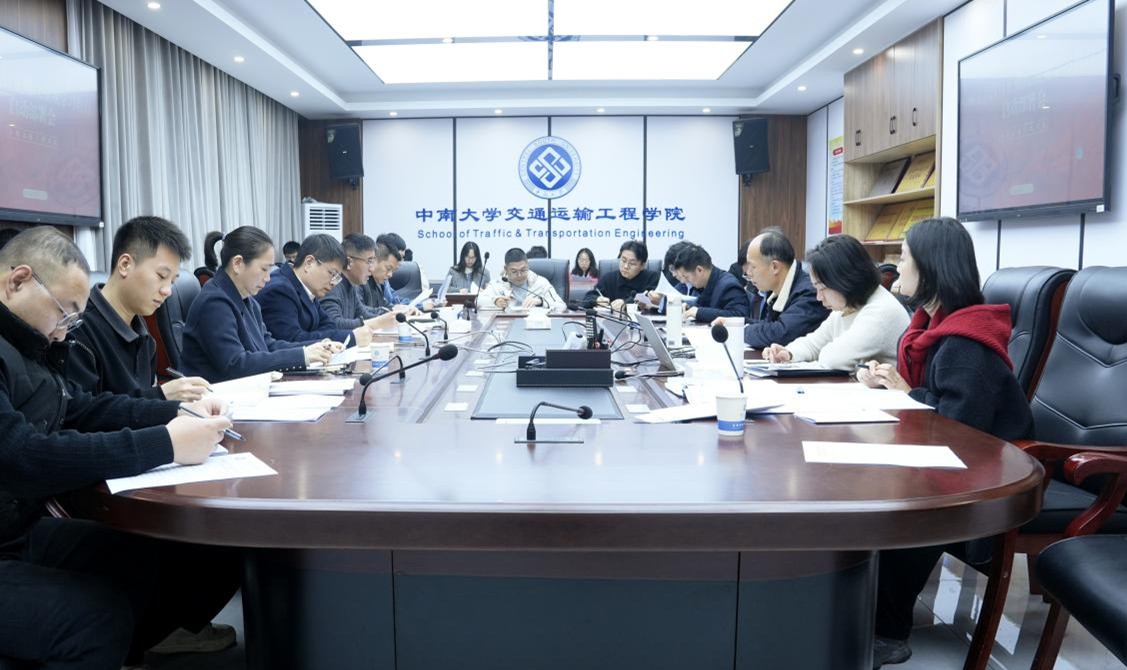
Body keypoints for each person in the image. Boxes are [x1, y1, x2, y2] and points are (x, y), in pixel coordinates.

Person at [0, 227, 238, 670]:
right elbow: (21, 455)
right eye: (64, 313)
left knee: (137, 552)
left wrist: (176, 413)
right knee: (94, 620)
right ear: (17, 281)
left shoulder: (27, 348)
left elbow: (82, 409)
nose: (64, 331)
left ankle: (121, 654)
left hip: (18, 530)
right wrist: (165, 444)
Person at [857, 217, 1032, 668]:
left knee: (908, 508)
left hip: (991, 465)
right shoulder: (929, 326)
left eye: (904, 258)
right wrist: (893, 386)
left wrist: (906, 393)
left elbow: (960, 429)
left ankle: (886, 630)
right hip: (958, 452)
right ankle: (865, 609)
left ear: (931, 268)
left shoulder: (965, 344)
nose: (896, 267)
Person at [68, 216, 210, 402]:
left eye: (172, 282)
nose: (167, 291)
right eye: (162, 276)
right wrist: (161, 396)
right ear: (125, 265)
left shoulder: (143, 334)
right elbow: (82, 412)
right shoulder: (77, 330)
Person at [181, 227, 335, 382]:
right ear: (238, 263)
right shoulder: (214, 303)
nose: (268, 278)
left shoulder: (248, 301)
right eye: (264, 269)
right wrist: (302, 356)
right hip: (216, 393)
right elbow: (235, 364)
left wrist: (314, 348)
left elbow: (268, 345)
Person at [761, 235, 909, 370]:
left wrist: (818, 352)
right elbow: (814, 342)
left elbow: (833, 359)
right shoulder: (849, 304)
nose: (819, 297)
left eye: (822, 288)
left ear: (844, 280)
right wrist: (788, 353)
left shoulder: (881, 311)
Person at [258, 234, 370, 346]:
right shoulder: (279, 290)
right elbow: (292, 340)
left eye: (337, 277)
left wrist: (314, 336)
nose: (333, 283)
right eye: (332, 273)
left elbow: (329, 326)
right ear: (309, 262)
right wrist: (351, 337)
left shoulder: (307, 289)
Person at [723, 229, 829, 347]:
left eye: (753, 267)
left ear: (774, 267)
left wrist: (736, 332)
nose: (748, 273)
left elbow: (780, 334)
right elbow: (768, 325)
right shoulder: (778, 288)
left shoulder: (809, 292)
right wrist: (734, 324)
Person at [320, 233, 400, 331]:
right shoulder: (332, 285)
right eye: (369, 261)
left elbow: (364, 315)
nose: (372, 269)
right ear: (349, 262)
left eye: (373, 262)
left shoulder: (351, 285)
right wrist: (377, 322)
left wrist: (392, 318)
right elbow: (333, 324)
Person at [670, 243, 749, 322]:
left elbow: (739, 315)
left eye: (686, 277)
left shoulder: (728, 286)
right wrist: (690, 308)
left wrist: (699, 312)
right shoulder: (705, 284)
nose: (685, 281)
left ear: (699, 270)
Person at [478, 247, 565, 311]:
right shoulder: (498, 284)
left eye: (523, 270)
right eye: (514, 271)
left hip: (534, 325)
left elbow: (561, 306)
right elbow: (478, 301)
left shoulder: (541, 283)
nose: (519, 275)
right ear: (506, 269)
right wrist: (495, 301)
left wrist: (541, 301)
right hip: (507, 325)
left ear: (528, 266)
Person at [365, 233, 435, 311]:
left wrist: (412, 307)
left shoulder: (378, 282)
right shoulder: (361, 282)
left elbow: (390, 303)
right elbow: (364, 312)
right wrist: (418, 307)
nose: (401, 262)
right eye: (400, 257)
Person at [581, 240, 659, 310]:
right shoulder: (608, 278)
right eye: (623, 260)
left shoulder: (652, 278)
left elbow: (651, 300)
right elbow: (587, 298)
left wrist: (626, 303)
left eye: (632, 263)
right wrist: (597, 300)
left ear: (642, 266)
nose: (626, 266)